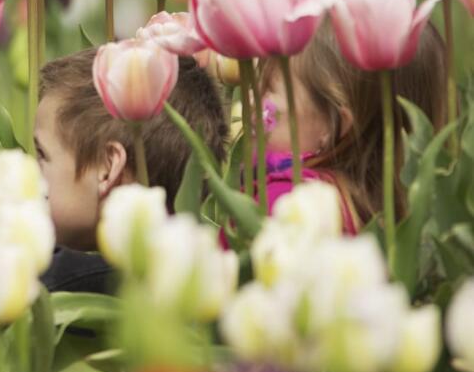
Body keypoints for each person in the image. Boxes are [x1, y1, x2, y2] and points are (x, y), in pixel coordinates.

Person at [34, 49, 228, 294]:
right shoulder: (198, 276)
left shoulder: (65, 287)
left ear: (108, 167)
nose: (31, 173)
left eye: (42, 155)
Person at [257, 19, 444, 234]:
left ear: (335, 125)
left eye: (269, 89)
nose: (251, 99)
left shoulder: (287, 205)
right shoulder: (424, 228)